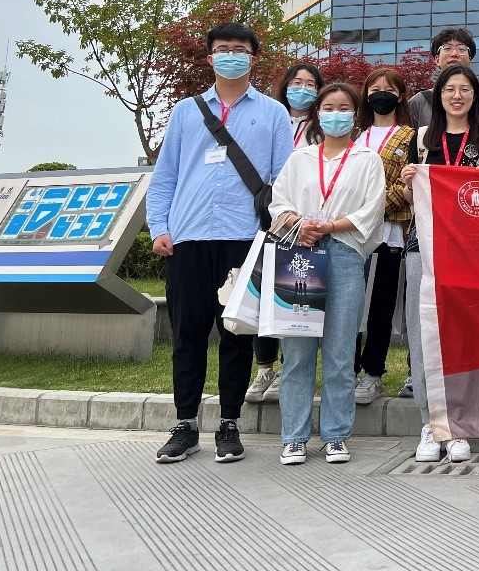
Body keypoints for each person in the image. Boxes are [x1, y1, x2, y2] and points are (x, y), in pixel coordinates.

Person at [146, 23, 293, 464]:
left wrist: (278, 231)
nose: (232, 55)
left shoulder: (273, 113)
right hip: (188, 237)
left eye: (240, 49)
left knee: (237, 334)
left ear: (253, 58)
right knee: (187, 334)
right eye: (223, 49)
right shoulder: (185, 112)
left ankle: (230, 423)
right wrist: (159, 228)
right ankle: (185, 424)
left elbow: (283, 178)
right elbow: (165, 175)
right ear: (210, 58)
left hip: (244, 238)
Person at [269, 82, 386, 465]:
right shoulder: (300, 158)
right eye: (329, 107)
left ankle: (336, 435)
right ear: (318, 114)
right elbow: (278, 203)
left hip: (345, 256)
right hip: (300, 254)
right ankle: (294, 437)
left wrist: (331, 226)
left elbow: (373, 210)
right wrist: (300, 223)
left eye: (344, 107)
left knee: (340, 352)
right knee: (297, 352)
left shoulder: (367, 159)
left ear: (356, 114)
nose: (336, 114)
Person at [400, 64, 479, 463]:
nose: (457, 96)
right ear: (438, 96)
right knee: (423, 332)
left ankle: (461, 423)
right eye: (450, 89)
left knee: (466, 334)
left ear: (476, 97)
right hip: (425, 246)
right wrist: (409, 183)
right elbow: (410, 200)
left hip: (473, 251)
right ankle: (430, 423)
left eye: (465, 89)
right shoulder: (421, 140)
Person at [246, 62, 325, 406]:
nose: (302, 89)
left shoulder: (321, 128)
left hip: (303, 221)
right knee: (262, 293)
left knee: (291, 294)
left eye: (310, 84)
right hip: (267, 216)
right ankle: (264, 367)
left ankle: (288, 368)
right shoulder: (269, 119)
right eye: (296, 82)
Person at [353, 67, 415, 405]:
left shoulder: (410, 137)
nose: (381, 94)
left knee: (380, 305)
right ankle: (346, 370)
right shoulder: (354, 135)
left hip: (388, 234)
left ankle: (373, 372)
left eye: (389, 89)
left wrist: (371, 208)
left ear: (400, 96)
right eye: (374, 88)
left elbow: (407, 188)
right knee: (349, 306)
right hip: (350, 234)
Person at [408, 27, 479, 129]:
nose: (454, 54)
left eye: (461, 49)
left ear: (470, 59)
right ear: (437, 59)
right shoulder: (419, 102)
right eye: (447, 48)